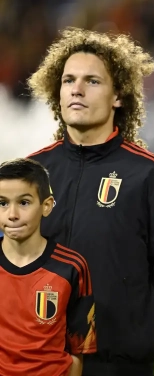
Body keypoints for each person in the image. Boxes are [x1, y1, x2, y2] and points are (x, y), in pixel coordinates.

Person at [25, 27, 154, 376]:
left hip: (117, 364)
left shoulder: (152, 175)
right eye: (68, 80)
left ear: (118, 95)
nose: (76, 89)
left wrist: (131, 324)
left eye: (92, 81)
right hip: (37, 359)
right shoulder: (30, 174)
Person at [0, 158, 96, 376]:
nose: (12, 214)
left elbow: (78, 349)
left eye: (24, 202)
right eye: (2, 203)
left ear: (46, 206)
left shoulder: (71, 267)